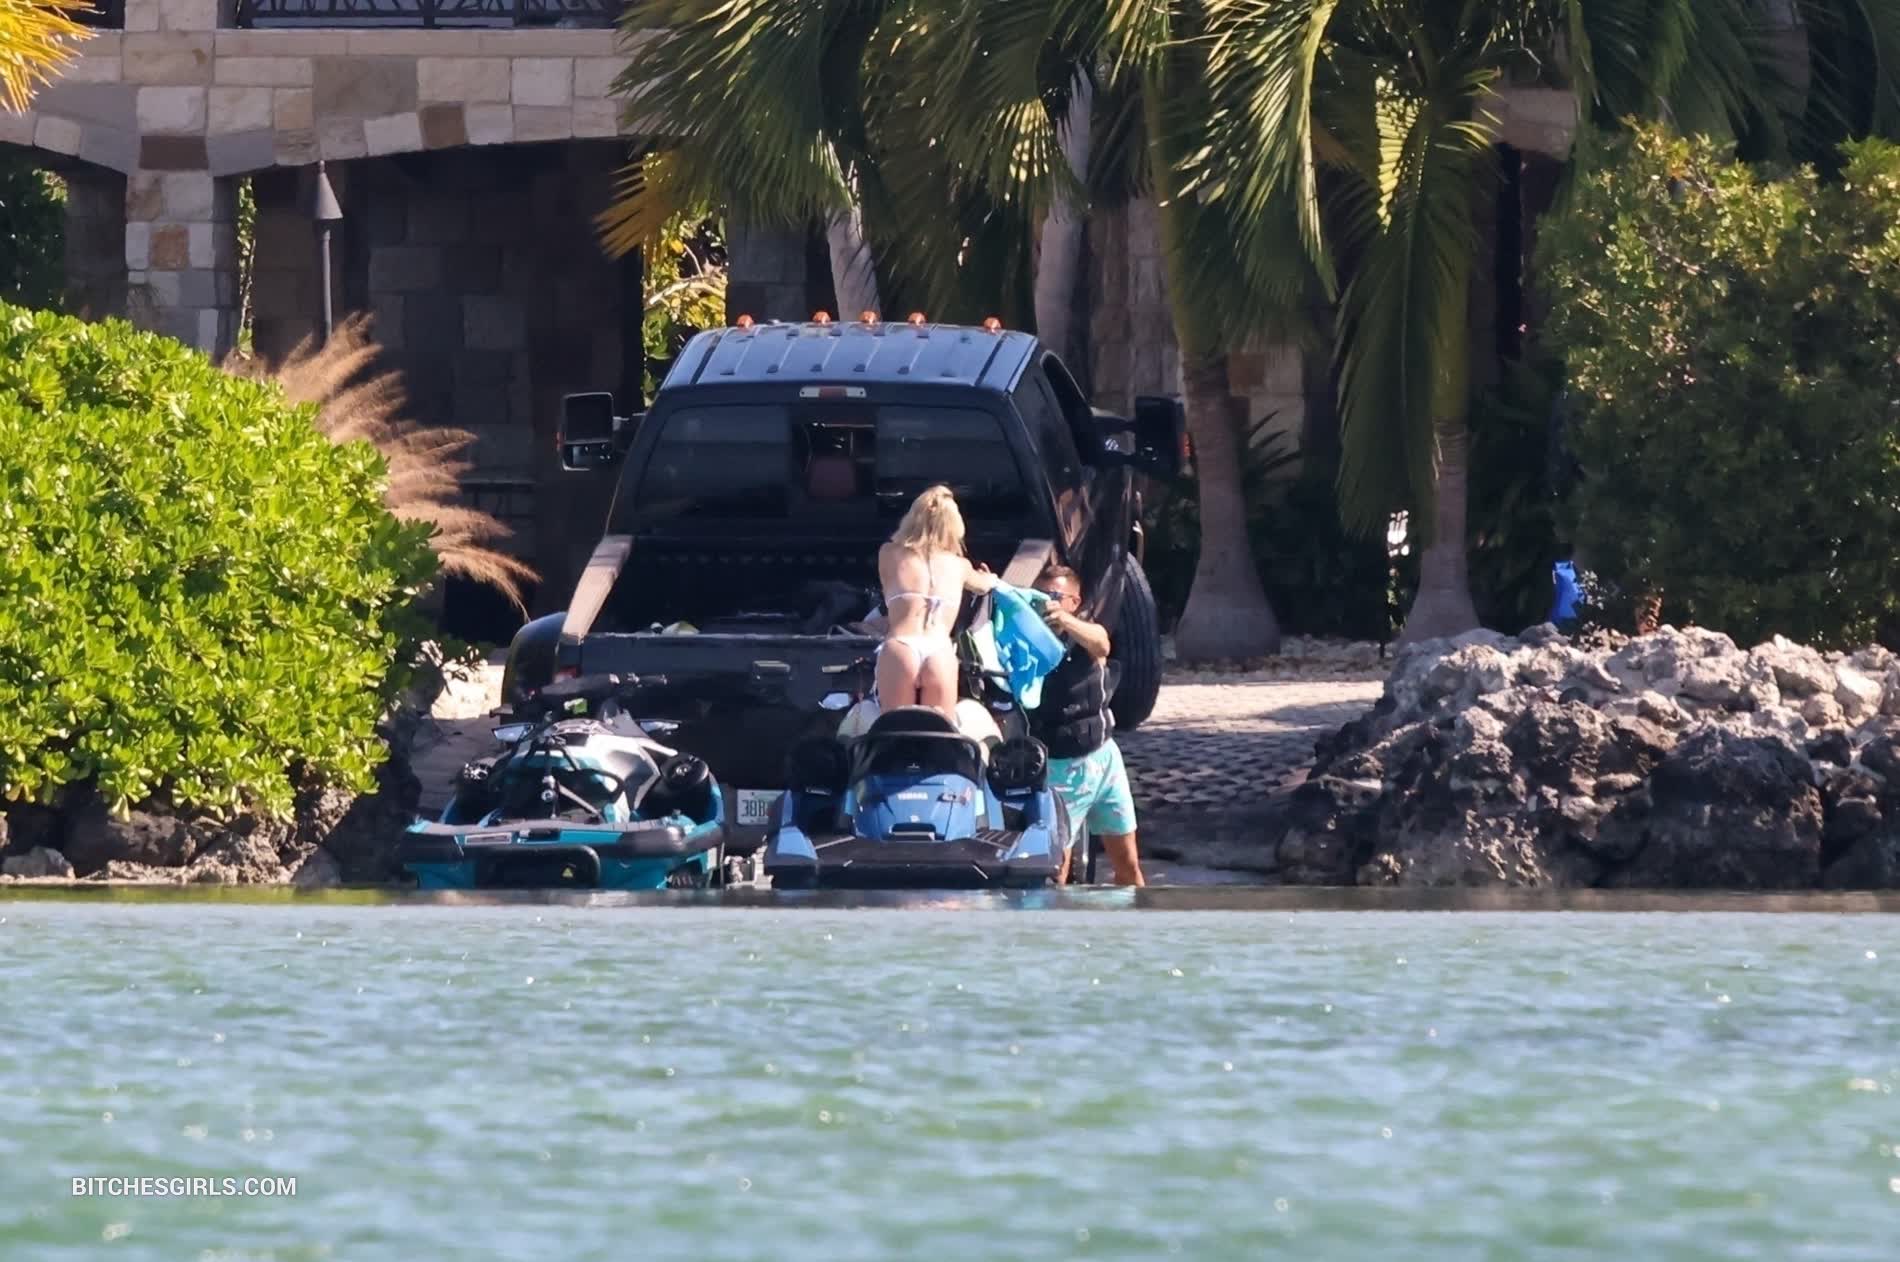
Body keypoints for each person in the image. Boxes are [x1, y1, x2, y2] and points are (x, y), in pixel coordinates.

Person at [1030, 564, 1145, 886]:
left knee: (1128, 864)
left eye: (1055, 596)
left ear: (1074, 601)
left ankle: (1142, 914)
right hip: (1059, 768)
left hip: (1103, 759)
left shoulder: (1086, 634)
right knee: (1056, 871)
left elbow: (1102, 643)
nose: (1046, 603)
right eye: (1039, 597)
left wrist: (1064, 621)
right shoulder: (1027, 639)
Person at [876, 485, 996, 719]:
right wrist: (989, 578)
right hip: (939, 649)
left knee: (894, 728)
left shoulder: (889, 553)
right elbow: (984, 585)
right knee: (938, 731)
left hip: (901, 646)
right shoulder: (960, 566)